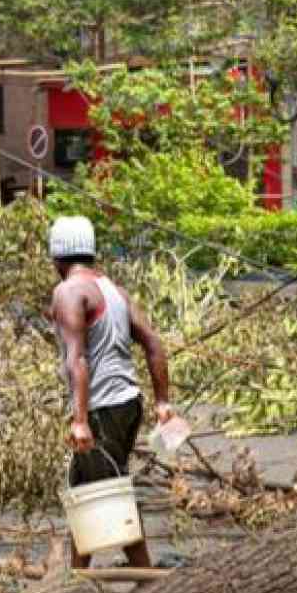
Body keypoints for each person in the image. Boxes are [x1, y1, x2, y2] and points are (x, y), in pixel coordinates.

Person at [47, 215, 174, 568]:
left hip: (102, 408)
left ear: (57, 258)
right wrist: (162, 402)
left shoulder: (69, 291)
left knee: (110, 495)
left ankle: (145, 577)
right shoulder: (114, 290)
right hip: (128, 404)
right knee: (86, 489)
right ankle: (74, 581)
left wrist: (80, 419)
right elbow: (153, 345)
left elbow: (78, 359)